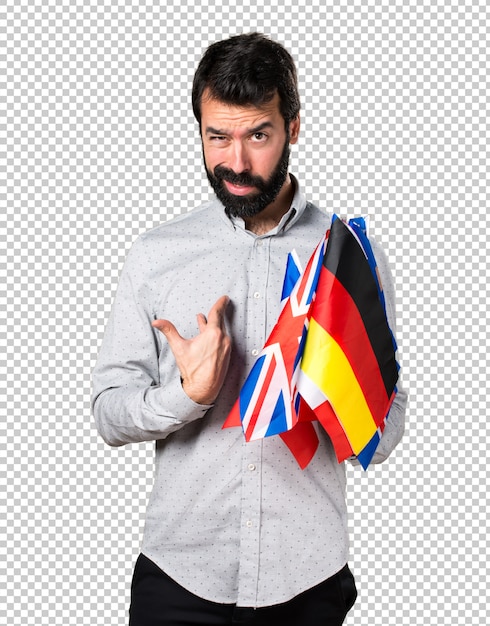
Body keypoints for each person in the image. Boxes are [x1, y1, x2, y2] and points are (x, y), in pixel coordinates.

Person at [92, 33, 407, 626]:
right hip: (179, 577)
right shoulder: (158, 254)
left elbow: (387, 430)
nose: (236, 162)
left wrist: (336, 394)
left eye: (258, 135)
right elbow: (108, 413)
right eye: (218, 137)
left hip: (307, 580)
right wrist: (186, 397)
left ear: (293, 126)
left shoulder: (347, 254)